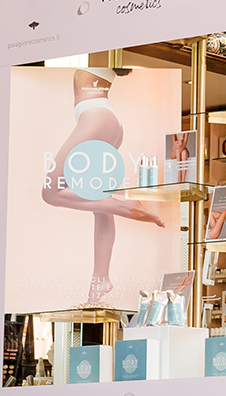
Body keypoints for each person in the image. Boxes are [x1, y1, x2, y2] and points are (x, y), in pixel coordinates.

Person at [41, 67, 163, 305]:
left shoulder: (108, 45)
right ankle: (100, 279)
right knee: (100, 206)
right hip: (101, 118)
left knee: (50, 191)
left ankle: (126, 206)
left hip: (96, 117)